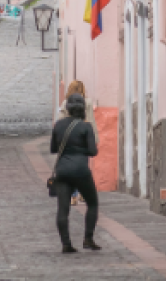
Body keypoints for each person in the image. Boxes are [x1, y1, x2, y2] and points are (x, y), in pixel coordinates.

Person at [50, 93, 100, 253]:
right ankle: (88, 239)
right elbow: (93, 151)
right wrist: (80, 150)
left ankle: (66, 244)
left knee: (63, 209)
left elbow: (53, 149)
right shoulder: (86, 127)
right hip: (81, 170)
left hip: (62, 170)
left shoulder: (58, 125)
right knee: (92, 203)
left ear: (68, 108)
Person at [58, 80, 88, 205]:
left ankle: (73, 195)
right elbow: (90, 122)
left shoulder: (66, 103)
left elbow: (60, 121)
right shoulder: (87, 103)